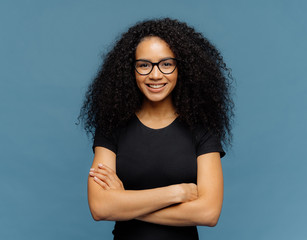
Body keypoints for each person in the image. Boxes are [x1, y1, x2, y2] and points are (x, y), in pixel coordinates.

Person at [79, 18, 234, 240]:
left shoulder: (202, 129)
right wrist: (176, 193)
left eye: (166, 64)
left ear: (182, 68)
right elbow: (100, 208)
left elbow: (208, 213)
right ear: (130, 71)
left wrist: (125, 202)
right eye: (144, 65)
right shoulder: (112, 127)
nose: (155, 74)